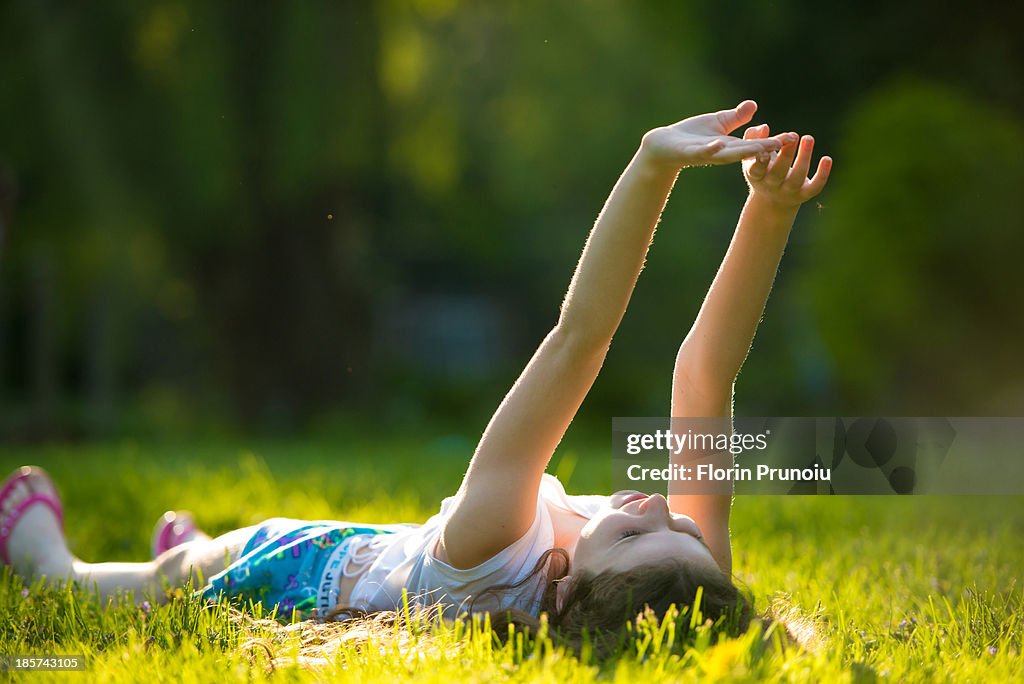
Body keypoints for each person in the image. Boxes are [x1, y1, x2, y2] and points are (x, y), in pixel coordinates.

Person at [0, 100, 830, 647]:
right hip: (375, 564)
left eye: (630, 532)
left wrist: (652, 165)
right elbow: (704, 377)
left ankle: (43, 553)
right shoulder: (687, 576)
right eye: (681, 530)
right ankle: (189, 550)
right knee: (191, 566)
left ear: (557, 584)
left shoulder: (495, 545)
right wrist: (769, 212)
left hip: (294, 570)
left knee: (157, 585)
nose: (659, 509)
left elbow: (579, 338)